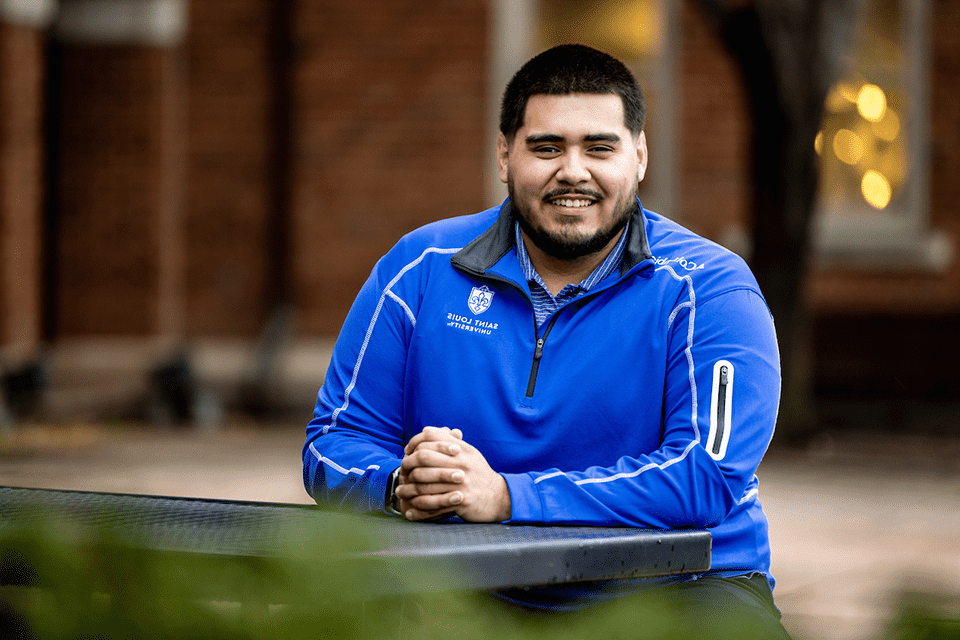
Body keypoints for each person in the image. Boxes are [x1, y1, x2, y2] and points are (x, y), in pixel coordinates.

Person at [303, 44, 788, 636]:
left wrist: (506, 497)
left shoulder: (711, 290)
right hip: (469, 582)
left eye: (600, 147)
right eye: (547, 147)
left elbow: (704, 476)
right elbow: (334, 441)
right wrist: (403, 486)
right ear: (505, 155)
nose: (573, 171)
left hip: (679, 588)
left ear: (639, 156)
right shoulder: (421, 268)